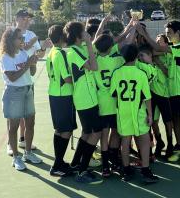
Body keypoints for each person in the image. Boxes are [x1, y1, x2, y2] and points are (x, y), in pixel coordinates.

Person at [137, 21, 180, 166]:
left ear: (178, 33)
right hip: (172, 91)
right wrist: (142, 38)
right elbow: (154, 50)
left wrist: (144, 32)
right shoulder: (171, 47)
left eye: (169, 33)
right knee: (175, 119)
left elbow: (158, 47)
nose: (168, 36)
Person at [110, 44, 159, 184]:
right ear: (137, 56)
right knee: (144, 140)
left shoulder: (116, 72)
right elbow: (147, 97)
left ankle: (126, 170)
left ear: (122, 57)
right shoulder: (141, 73)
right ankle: (145, 170)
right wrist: (150, 115)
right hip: (139, 112)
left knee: (125, 142)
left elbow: (114, 94)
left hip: (123, 113)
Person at [64, 21, 103, 184]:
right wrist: (88, 42)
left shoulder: (78, 49)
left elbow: (93, 47)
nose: (87, 34)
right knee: (96, 132)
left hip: (88, 97)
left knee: (87, 132)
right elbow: (94, 66)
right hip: (85, 99)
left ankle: (76, 163)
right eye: (84, 32)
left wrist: (90, 40)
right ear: (78, 35)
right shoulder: (74, 51)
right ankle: (82, 170)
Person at [0, 27, 42, 171]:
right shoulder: (6, 57)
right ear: (11, 40)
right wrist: (28, 63)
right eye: (20, 38)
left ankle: (28, 153)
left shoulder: (24, 53)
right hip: (14, 92)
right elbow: (12, 77)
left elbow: (32, 72)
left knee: (30, 123)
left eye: (23, 38)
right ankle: (16, 156)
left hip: (28, 89)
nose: (23, 41)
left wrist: (33, 63)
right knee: (14, 127)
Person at [10, 9, 46, 155]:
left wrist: (43, 48)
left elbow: (40, 53)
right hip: (15, 79)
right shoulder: (11, 33)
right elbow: (16, 49)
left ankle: (23, 139)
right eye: (24, 18)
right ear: (17, 18)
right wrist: (29, 44)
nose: (27, 20)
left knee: (27, 113)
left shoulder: (31, 35)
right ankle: (9, 144)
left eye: (29, 18)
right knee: (13, 115)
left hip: (29, 78)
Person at [93, 34, 125, 178]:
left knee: (104, 135)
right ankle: (114, 160)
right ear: (111, 47)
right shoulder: (117, 60)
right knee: (116, 132)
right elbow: (126, 43)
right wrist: (132, 26)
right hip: (116, 102)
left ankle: (105, 166)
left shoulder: (94, 61)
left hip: (101, 102)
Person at [46, 25, 76, 176]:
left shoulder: (51, 52)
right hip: (64, 96)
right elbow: (67, 78)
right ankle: (57, 164)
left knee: (59, 129)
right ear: (61, 37)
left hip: (54, 94)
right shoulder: (60, 54)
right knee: (67, 130)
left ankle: (59, 162)